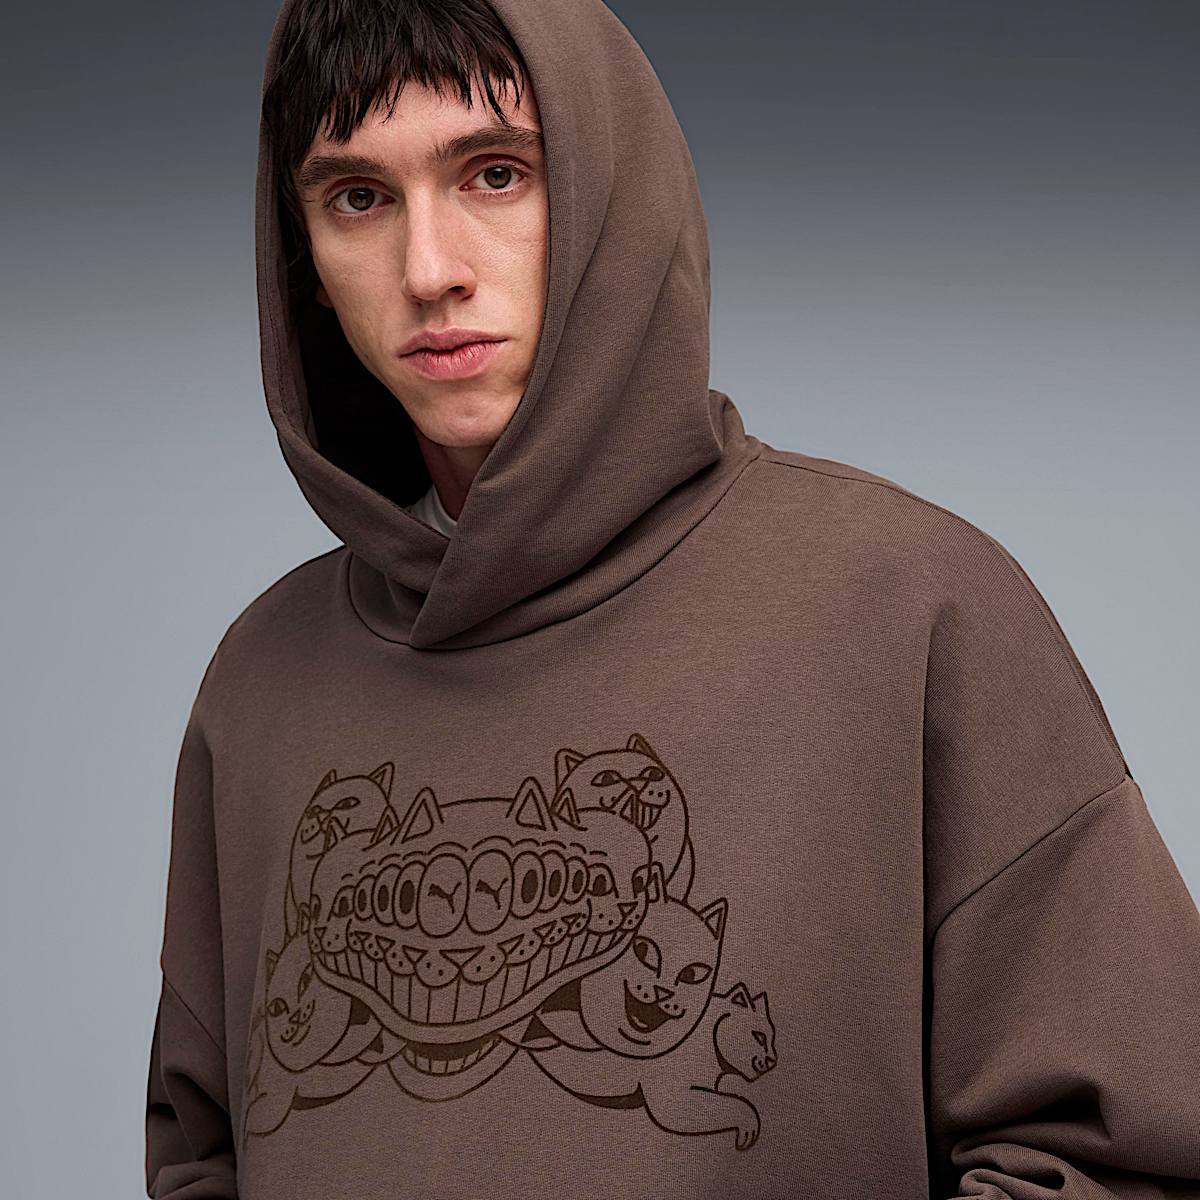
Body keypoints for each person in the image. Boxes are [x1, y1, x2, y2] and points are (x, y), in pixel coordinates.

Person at [144, 0, 1200, 1196]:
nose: (428, 270)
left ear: (614, 195)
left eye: (495, 175)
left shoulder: (914, 611)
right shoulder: (261, 684)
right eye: (358, 197)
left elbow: (1127, 1156)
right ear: (305, 264)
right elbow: (200, 1158)